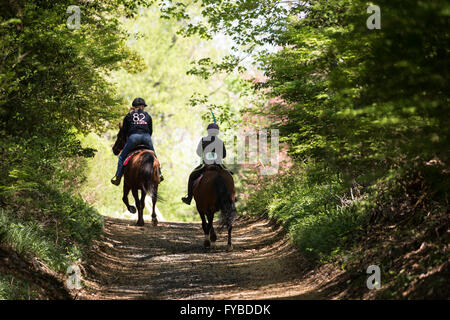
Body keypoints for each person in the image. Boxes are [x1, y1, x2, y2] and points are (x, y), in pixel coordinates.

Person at [111, 97, 163, 186]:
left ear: (134, 107)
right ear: (142, 106)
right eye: (143, 106)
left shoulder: (128, 116)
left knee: (121, 157)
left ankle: (118, 178)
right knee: (153, 155)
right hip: (146, 137)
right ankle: (159, 174)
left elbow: (124, 132)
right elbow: (150, 130)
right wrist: (146, 138)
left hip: (133, 138)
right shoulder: (147, 116)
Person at [181, 123, 228, 205]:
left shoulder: (203, 140)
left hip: (205, 164)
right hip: (218, 165)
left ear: (208, 131)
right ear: (217, 132)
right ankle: (231, 197)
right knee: (229, 176)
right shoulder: (220, 141)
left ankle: (189, 198)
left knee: (192, 176)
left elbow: (198, 152)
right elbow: (224, 155)